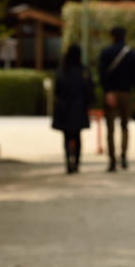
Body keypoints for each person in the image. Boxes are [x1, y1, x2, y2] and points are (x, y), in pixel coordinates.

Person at [98, 26, 135, 172]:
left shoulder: (106, 52)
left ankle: (112, 160)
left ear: (112, 37)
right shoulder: (131, 54)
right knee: (124, 126)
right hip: (127, 94)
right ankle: (123, 155)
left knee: (110, 129)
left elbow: (102, 74)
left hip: (111, 94)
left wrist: (107, 91)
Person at [52, 44, 93, 173]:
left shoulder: (61, 70)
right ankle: (76, 162)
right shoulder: (84, 70)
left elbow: (57, 90)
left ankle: (67, 159)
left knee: (66, 136)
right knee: (77, 135)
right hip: (79, 106)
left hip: (64, 106)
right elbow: (89, 89)